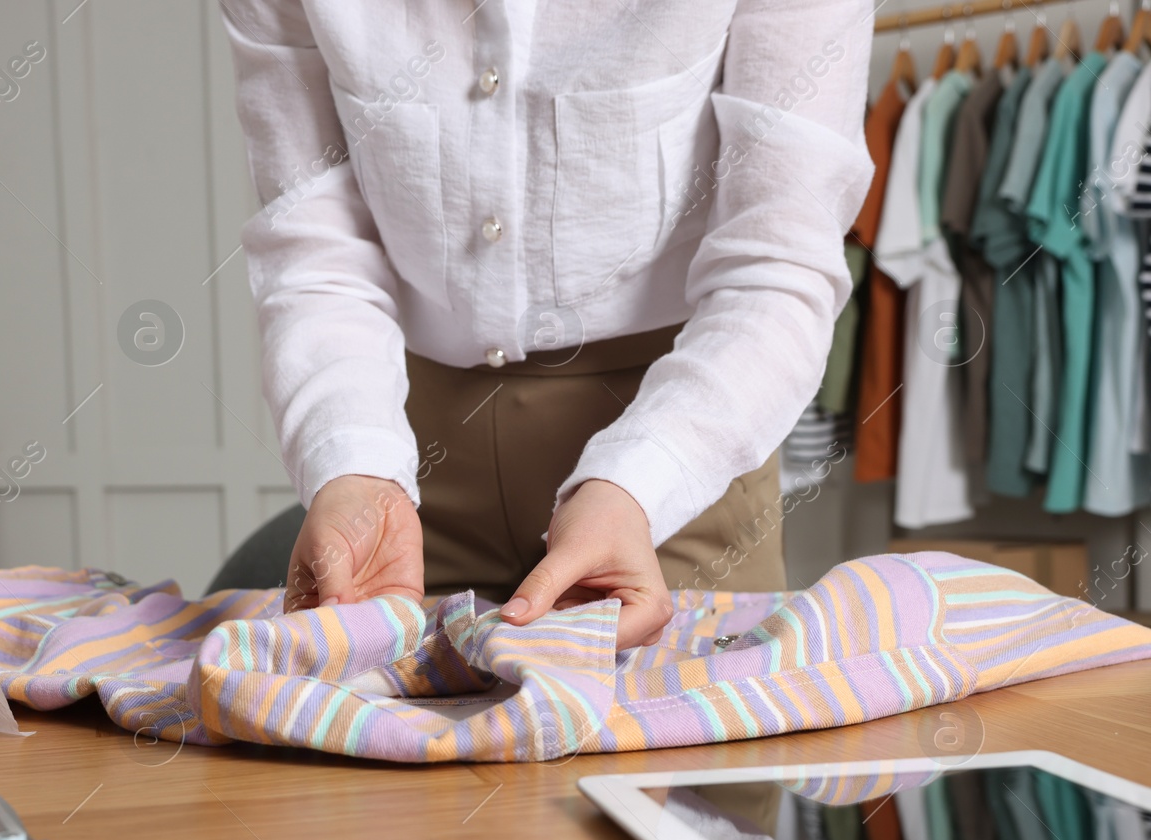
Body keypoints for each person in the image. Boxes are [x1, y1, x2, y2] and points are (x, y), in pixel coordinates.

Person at [222, 1, 873, 647]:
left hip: (678, 455)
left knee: (678, 738)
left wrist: (638, 483)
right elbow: (313, 248)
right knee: (368, 734)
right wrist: (352, 462)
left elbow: (777, 263)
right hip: (409, 464)